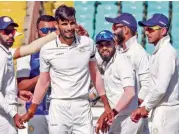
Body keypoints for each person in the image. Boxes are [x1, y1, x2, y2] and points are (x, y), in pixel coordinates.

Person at [20, 5, 113, 134]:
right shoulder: (47, 49)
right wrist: (32, 109)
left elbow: (95, 74)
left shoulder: (88, 43)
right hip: (59, 107)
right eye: (64, 24)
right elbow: (44, 82)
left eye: (72, 23)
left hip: (82, 105)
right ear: (57, 25)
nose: (69, 28)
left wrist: (106, 105)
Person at [131, 13, 179, 134]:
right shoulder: (159, 52)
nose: (147, 32)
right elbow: (153, 86)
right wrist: (143, 106)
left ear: (164, 30)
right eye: (145, 29)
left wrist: (146, 107)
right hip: (162, 109)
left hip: (167, 111)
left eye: (151, 29)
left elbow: (160, 88)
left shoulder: (167, 53)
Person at [105, 12, 150, 134]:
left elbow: (146, 86)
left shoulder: (139, 53)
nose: (112, 30)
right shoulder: (120, 51)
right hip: (120, 115)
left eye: (115, 26)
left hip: (132, 118)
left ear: (125, 29)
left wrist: (134, 107)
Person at [94, 30, 139, 134]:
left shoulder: (122, 62)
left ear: (115, 43)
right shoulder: (108, 63)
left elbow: (130, 92)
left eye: (108, 44)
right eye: (100, 45)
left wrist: (112, 113)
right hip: (118, 117)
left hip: (127, 119)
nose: (104, 48)